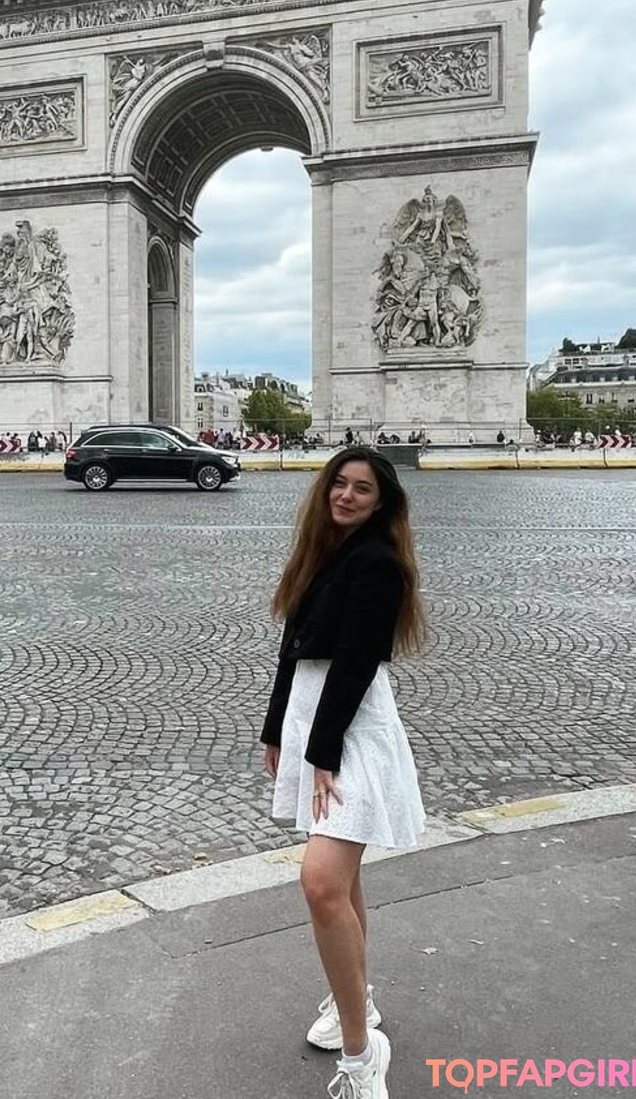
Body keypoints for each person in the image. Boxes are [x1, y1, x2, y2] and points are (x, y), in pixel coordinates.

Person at [260, 447, 426, 1098]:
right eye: (340, 483)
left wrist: (322, 752)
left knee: (322, 882)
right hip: (313, 719)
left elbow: (355, 663)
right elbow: (292, 648)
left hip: (349, 728)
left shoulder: (378, 563)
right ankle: (354, 999)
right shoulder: (321, 552)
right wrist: (277, 728)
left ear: (381, 504)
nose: (346, 495)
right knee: (342, 880)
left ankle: (361, 1058)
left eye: (362, 489)